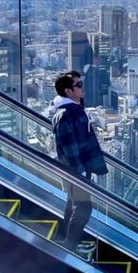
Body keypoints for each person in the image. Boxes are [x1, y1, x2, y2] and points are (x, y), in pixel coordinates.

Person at [52, 71, 107, 255]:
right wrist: (81, 172)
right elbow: (70, 147)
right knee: (83, 208)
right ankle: (70, 246)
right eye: (79, 85)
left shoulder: (73, 109)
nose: (82, 87)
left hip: (79, 168)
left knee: (72, 204)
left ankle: (66, 239)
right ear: (68, 91)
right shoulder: (66, 115)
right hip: (76, 170)